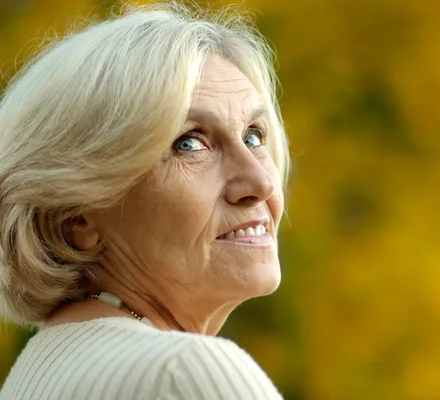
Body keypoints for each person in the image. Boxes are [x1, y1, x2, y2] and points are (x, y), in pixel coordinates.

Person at [0, 2, 289, 399]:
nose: (260, 181)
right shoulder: (185, 373)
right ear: (74, 220)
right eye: (189, 144)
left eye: (254, 136)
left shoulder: (38, 369)